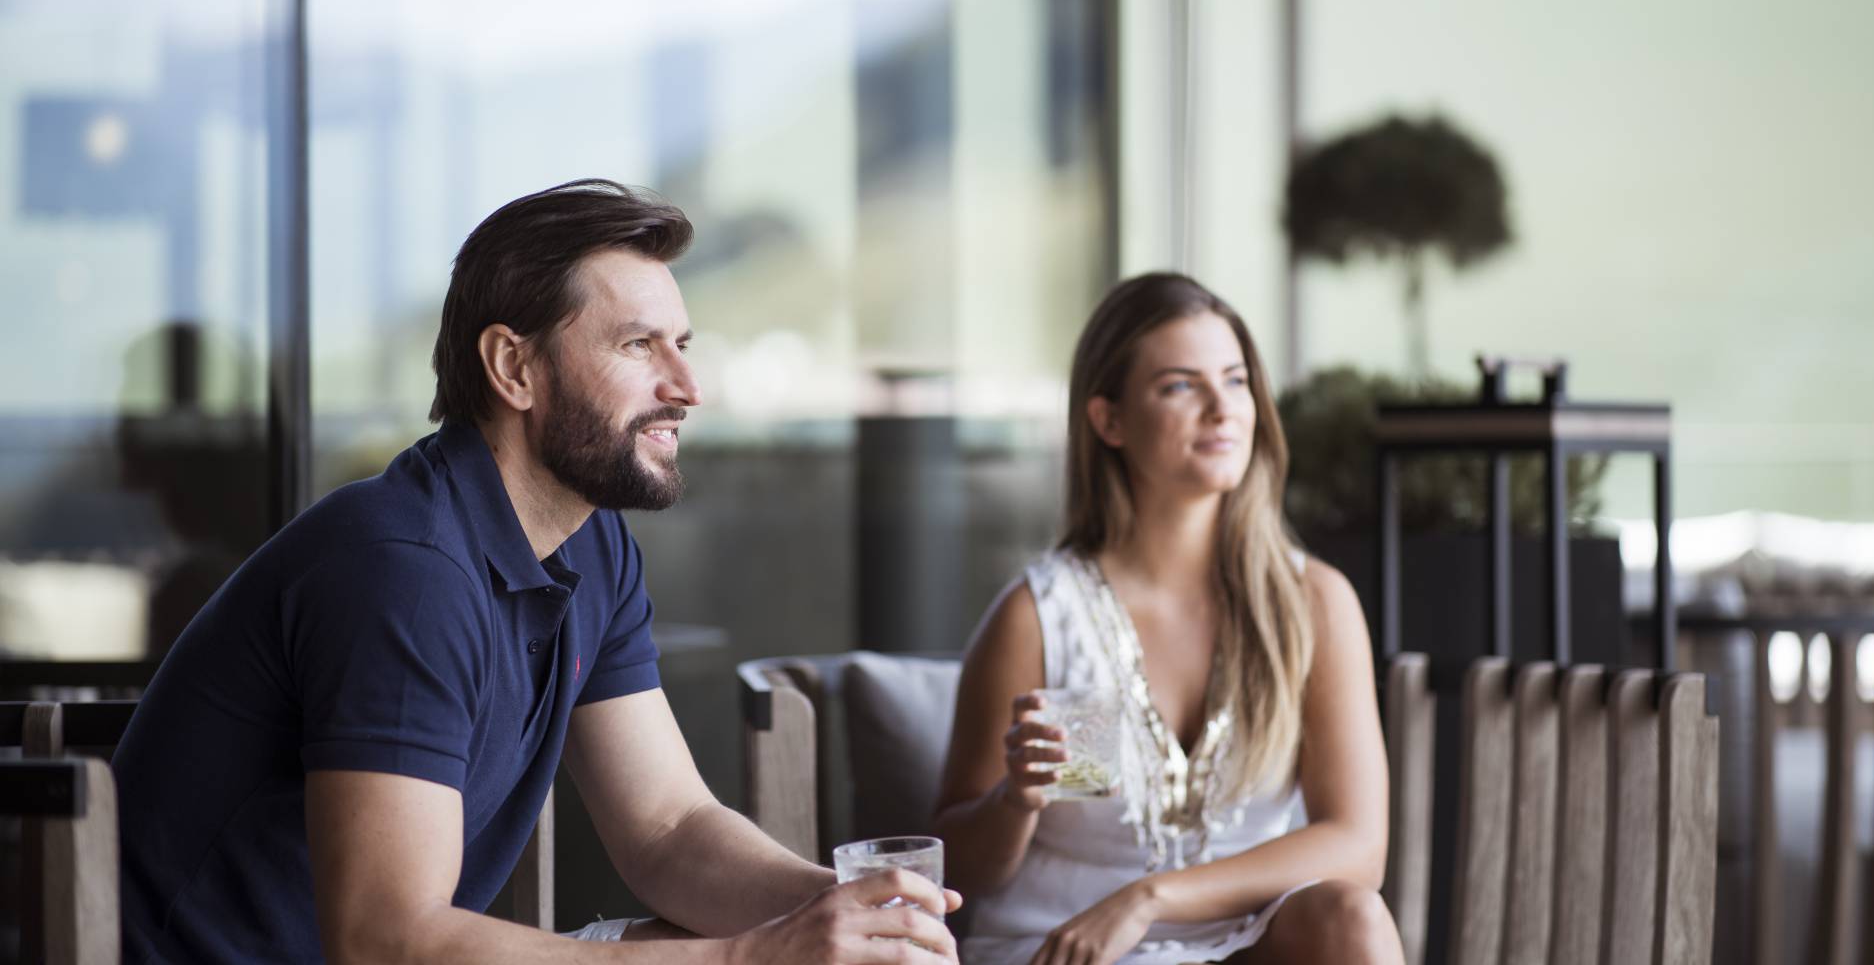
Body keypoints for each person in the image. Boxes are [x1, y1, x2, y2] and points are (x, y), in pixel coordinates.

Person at [111, 179, 961, 963]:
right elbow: (382, 940)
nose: (687, 387)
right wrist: (752, 955)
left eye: (682, 345)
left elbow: (668, 828)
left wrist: (849, 912)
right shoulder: (405, 571)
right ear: (513, 368)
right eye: (639, 345)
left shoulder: (590, 542)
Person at [932, 273, 1403, 965]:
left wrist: (1149, 898)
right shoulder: (1040, 617)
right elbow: (960, 872)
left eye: (1235, 380)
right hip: (1067, 947)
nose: (1221, 408)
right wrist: (1016, 801)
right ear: (1109, 421)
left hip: (1241, 939)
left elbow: (1358, 846)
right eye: (1180, 386)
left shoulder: (1312, 602)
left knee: (1352, 917)